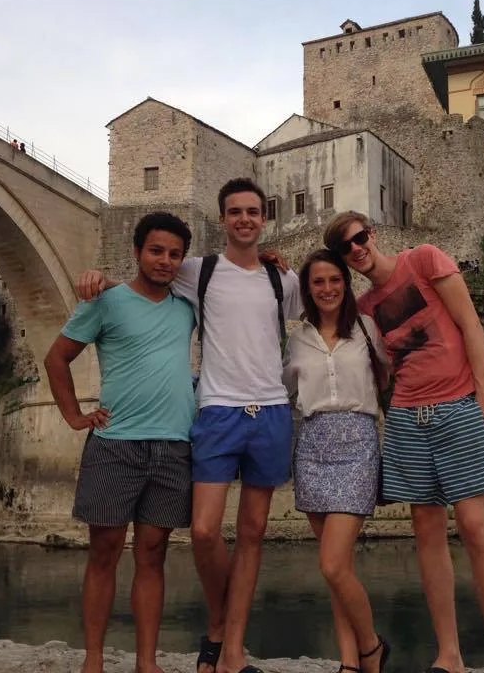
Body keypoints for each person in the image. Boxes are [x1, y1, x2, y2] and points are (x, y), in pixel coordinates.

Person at [77, 178, 302, 673]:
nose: (245, 219)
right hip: (217, 410)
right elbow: (145, 281)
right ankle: (219, 622)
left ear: (264, 218)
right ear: (221, 220)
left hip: (271, 411)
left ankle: (231, 648)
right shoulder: (196, 271)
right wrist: (99, 279)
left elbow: (323, 312)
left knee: (253, 533)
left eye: (254, 212)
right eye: (235, 212)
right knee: (202, 532)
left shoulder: (280, 280)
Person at [323, 212, 484, 673]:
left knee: (474, 527)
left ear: (373, 232)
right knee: (427, 535)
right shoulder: (366, 308)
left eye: (360, 237)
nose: (357, 248)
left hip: (457, 406)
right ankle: (449, 655)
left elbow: (471, 326)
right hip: (408, 418)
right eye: (346, 246)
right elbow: (380, 368)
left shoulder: (426, 260)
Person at [44, 211, 197, 673]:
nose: (165, 261)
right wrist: (74, 417)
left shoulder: (188, 305)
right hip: (116, 446)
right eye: (156, 250)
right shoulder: (104, 302)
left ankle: (146, 663)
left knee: (153, 556)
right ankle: (93, 660)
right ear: (137, 252)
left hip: (173, 446)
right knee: (105, 553)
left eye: (174, 254)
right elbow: (57, 359)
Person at [282, 249, 391, 673]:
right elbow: (287, 394)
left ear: (345, 285)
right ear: (308, 290)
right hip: (311, 446)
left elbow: (389, 373)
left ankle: (370, 647)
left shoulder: (366, 329)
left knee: (331, 562)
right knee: (337, 568)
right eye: (318, 282)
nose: (327, 288)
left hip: (358, 443)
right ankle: (348, 662)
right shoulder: (297, 339)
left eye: (334, 280)